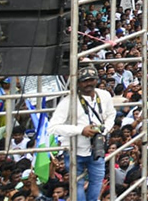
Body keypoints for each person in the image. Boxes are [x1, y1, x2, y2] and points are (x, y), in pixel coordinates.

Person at [47, 65, 116, 201]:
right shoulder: (68, 101)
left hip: (97, 149)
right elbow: (52, 127)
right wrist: (81, 130)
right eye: (84, 81)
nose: (88, 83)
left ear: (96, 80)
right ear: (78, 82)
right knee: (77, 185)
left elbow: (111, 115)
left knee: (96, 182)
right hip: (74, 150)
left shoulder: (104, 95)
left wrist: (104, 129)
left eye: (91, 80)